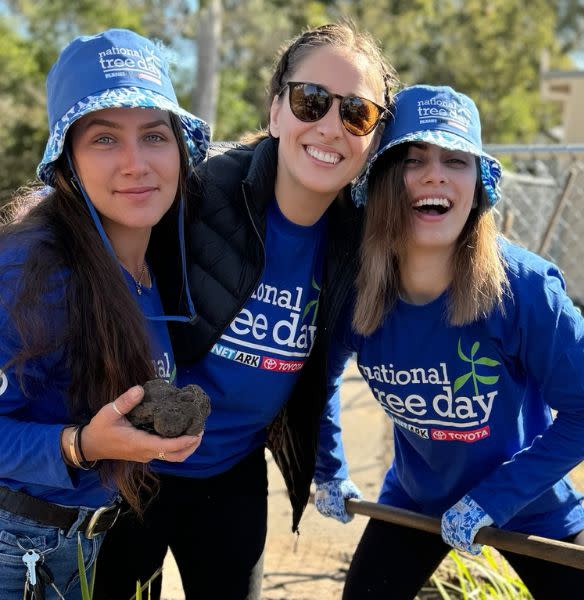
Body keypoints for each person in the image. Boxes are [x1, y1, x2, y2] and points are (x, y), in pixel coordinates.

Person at [94, 22, 396, 599]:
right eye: (312, 101)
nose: (331, 126)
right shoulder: (195, 195)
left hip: (231, 473)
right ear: (277, 109)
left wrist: (328, 462)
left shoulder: (357, 245)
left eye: (357, 113)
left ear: (373, 137)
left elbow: (324, 367)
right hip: (134, 468)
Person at [308, 84, 584, 599]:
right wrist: (327, 467)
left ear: (477, 184)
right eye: (412, 159)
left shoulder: (527, 291)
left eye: (455, 160)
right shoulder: (355, 290)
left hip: (532, 502)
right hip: (417, 499)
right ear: (381, 183)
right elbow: (315, 381)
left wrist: (493, 499)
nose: (435, 174)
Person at [0, 28, 209, 600]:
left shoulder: (154, 258)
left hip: (91, 548)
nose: (137, 163)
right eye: (105, 139)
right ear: (68, 158)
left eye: (154, 135)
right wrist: (81, 445)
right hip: (17, 555)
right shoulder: (30, 268)